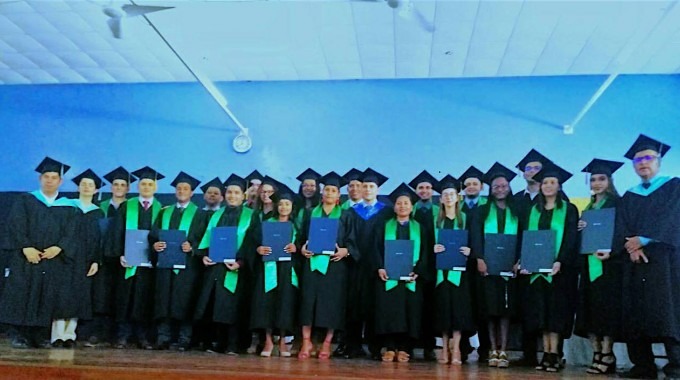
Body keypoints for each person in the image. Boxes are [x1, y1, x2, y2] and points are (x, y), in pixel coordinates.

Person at [615, 135, 680, 380]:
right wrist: (632, 246)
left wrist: (644, 239)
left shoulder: (674, 186)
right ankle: (643, 365)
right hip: (636, 262)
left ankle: (676, 365)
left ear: (658, 161)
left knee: (668, 311)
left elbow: (673, 218)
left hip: (665, 260)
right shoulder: (629, 196)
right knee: (636, 312)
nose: (643, 162)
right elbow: (622, 225)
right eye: (638, 159)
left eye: (648, 158)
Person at [0, 157, 75, 349]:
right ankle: (19, 335)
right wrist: (26, 247)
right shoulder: (26, 200)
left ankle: (40, 336)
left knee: (47, 295)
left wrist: (59, 247)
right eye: (46, 177)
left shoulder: (68, 206)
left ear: (60, 181)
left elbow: (72, 231)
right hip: (26, 258)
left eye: (53, 177)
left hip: (52, 259)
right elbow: (15, 226)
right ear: (40, 179)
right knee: (22, 293)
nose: (49, 180)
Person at [519, 162, 578, 373]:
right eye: (545, 182)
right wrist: (524, 261)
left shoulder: (569, 209)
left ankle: (556, 354)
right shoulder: (532, 210)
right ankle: (546, 353)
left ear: (559, 186)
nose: (548, 185)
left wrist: (560, 260)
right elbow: (526, 238)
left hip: (559, 271)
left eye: (553, 182)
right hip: (536, 271)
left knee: (556, 314)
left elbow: (571, 238)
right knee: (542, 313)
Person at [194, 174, 258, 355]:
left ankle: (234, 344)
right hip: (216, 267)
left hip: (237, 270)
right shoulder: (216, 215)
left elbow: (252, 242)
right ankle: (216, 342)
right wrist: (204, 256)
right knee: (215, 304)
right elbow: (205, 238)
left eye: (236, 193)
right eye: (229, 192)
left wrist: (241, 261)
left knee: (233, 306)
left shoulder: (251, 217)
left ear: (243, 195)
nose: (232, 195)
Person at [298, 171, 358, 360]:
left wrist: (345, 251)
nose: (329, 193)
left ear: (338, 195)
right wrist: (302, 249)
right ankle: (306, 342)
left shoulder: (347, 215)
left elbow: (352, 241)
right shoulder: (310, 213)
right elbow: (300, 237)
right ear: (322, 193)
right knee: (308, 302)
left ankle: (326, 343)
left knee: (332, 305)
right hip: (312, 263)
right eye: (327, 190)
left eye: (333, 190)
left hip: (335, 266)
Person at [573, 159, 623, 375]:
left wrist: (611, 250)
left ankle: (607, 353)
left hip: (608, 266)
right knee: (590, 310)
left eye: (601, 179)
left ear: (609, 181)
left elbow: (621, 233)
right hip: (588, 265)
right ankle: (596, 353)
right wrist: (580, 227)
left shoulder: (617, 204)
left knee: (605, 311)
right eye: (593, 179)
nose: (596, 183)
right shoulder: (588, 207)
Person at [470, 162, 521, 368]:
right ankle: (492, 349)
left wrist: (519, 261)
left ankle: (503, 350)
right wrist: (479, 258)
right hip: (488, 267)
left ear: (509, 188)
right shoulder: (482, 211)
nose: (500, 189)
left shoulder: (518, 210)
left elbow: (523, 237)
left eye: (503, 186)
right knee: (490, 309)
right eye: (496, 187)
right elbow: (475, 237)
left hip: (510, 267)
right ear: (490, 190)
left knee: (506, 310)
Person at [149, 172, 206, 351]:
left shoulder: (200, 214)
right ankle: (163, 337)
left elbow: (205, 238)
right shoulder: (164, 212)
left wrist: (193, 247)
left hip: (188, 266)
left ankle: (184, 338)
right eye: (179, 188)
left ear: (191, 193)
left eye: (185, 189)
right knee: (163, 300)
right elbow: (153, 235)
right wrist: (155, 245)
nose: (181, 191)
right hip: (165, 265)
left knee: (185, 301)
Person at [373, 183, 429, 363]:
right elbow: (376, 249)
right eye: (399, 203)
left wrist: (418, 271)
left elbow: (426, 252)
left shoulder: (420, 228)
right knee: (389, 311)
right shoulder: (384, 226)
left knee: (409, 312)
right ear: (394, 207)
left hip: (411, 278)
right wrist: (380, 267)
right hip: (388, 277)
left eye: (406, 203)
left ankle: (405, 348)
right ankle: (390, 347)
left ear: (412, 207)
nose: (402, 206)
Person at [82, 166, 136, 347]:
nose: (119, 187)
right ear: (111, 187)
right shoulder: (100, 208)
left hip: (126, 259)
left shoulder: (133, 208)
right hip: (103, 259)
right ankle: (99, 332)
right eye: (116, 184)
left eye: (123, 184)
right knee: (101, 296)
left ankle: (119, 335)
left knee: (122, 297)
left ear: (128, 188)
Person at [112, 166, 165, 349]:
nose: (147, 187)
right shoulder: (128, 206)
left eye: (150, 184)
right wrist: (120, 254)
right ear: (138, 186)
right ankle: (122, 335)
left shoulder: (163, 209)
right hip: (128, 262)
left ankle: (143, 336)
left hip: (150, 264)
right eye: (143, 184)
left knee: (145, 298)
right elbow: (117, 232)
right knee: (125, 297)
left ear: (155, 187)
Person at [51, 169, 104, 348]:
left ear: (96, 190)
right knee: (62, 296)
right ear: (78, 187)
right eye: (84, 184)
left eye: (91, 185)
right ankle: (57, 335)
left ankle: (69, 335)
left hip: (85, 260)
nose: (87, 187)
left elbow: (99, 240)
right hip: (64, 257)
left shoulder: (98, 213)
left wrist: (96, 260)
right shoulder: (66, 207)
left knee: (78, 297)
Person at [342, 168, 390, 360]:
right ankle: (352, 346)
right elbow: (348, 238)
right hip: (356, 265)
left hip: (377, 266)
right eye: (365, 186)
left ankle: (376, 346)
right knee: (354, 305)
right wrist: (355, 255)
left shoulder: (386, 212)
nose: (368, 189)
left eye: (371, 186)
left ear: (377, 189)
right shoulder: (351, 212)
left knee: (375, 306)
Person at [249, 181, 301, 358]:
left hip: (287, 271)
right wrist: (258, 249)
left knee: (285, 305)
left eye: (287, 204)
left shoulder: (297, 227)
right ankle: (269, 341)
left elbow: (303, 247)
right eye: (281, 204)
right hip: (267, 270)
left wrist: (297, 248)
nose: (283, 207)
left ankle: (283, 342)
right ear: (276, 206)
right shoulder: (264, 224)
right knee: (267, 305)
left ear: (292, 206)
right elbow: (251, 243)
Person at [512, 149, 553, 367]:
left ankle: (552, 354)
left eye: (537, 168)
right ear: (523, 173)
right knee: (526, 308)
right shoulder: (517, 199)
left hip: (549, 264)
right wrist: (518, 259)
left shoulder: (556, 199)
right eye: (529, 168)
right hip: (522, 262)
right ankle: (528, 354)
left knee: (549, 307)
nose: (533, 172)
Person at [431, 175, 474, 365]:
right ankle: (445, 348)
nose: (448, 197)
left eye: (452, 194)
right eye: (445, 194)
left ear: (458, 197)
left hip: (460, 273)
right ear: (440, 199)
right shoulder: (434, 220)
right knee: (443, 311)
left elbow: (474, 241)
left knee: (458, 310)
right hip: (440, 273)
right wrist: (432, 248)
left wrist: (469, 250)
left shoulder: (465, 218)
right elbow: (425, 244)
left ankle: (456, 347)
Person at [408, 170, 440, 361]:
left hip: (435, 265)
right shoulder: (411, 210)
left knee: (431, 307)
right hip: (414, 264)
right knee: (414, 306)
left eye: (428, 188)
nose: (424, 191)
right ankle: (410, 345)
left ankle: (429, 345)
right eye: (421, 188)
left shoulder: (439, 211)